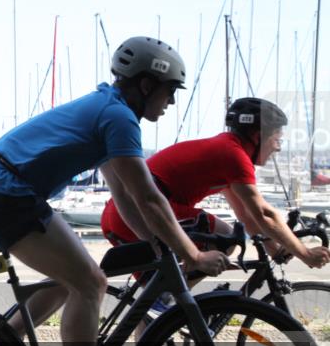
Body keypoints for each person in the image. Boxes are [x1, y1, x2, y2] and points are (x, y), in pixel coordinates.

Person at [0, 36, 229, 346]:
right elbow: (149, 196)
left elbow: (124, 195)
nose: (172, 101)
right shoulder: (118, 117)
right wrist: (191, 253)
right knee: (90, 284)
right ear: (146, 85)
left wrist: (153, 243)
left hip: (2, 190)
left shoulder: (109, 108)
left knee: (72, 280)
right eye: (170, 90)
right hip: (3, 194)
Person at [101, 97, 330, 309]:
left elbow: (247, 216)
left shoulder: (226, 150)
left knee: (153, 306)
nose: (278, 147)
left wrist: (275, 250)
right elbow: (264, 213)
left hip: (121, 214)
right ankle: (171, 300)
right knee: (224, 237)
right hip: (139, 212)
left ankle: (164, 308)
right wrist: (304, 253)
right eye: (277, 139)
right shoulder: (234, 155)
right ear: (258, 136)